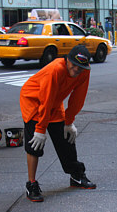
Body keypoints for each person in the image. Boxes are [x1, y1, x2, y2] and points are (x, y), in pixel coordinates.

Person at [20, 45, 96, 202]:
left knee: (65, 138)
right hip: (33, 101)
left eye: (80, 67)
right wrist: (40, 129)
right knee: (35, 144)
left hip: (54, 102)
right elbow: (45, 100)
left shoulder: (84, 71)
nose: (76, 70)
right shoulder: (55, 69)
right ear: (67, 59)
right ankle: (31, 184)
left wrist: (69, 121)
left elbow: (78, 98)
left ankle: (76, 175)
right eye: (74, 65)